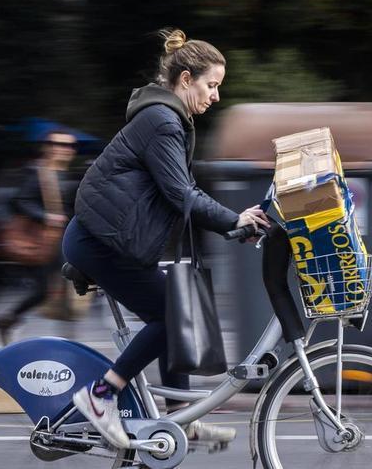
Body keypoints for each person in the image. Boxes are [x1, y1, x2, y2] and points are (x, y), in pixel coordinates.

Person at [63, 28, 270, 448]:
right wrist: (235, 221)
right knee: (174, 315)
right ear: (185, 80)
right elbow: (181, 194)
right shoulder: (161, 121)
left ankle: (179, 420)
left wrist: (234, 222)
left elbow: (180, 193)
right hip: (99, 241)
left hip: (113, 240)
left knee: (177, 312)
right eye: (211, 85)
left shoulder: (168, 119)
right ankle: (101, 397)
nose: (215, 96)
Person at [0, 130, 79, 344]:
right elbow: (20, 201)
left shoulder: (65, 174)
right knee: (50, 289)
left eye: (69, 145)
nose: (65, 149)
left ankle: (9, 320)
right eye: (58, 144)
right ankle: (65, 341)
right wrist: (46, 216)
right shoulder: (39, 173)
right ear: (48, 148)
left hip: (62, 240)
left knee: (62, 287)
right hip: (44, 241)